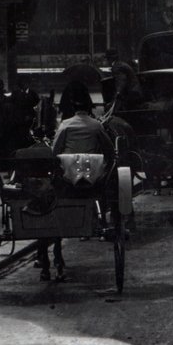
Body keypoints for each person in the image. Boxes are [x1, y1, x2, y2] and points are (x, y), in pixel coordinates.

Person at [38, 80, 115, 281]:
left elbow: (55, 152)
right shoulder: (96, 125)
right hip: (93, 179)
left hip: (68, 178)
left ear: (73, 108)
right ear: (89, 108)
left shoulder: (65, 125)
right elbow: (108, 151)